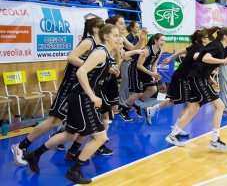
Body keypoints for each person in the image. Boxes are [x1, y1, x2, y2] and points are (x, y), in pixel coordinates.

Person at [23, 24, 120, 185]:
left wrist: (110, 71)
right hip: (82, 97)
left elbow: (95, 72)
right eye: (116, 35)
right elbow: (81, 72)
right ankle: (74, 171)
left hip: (82, 98)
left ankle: (35, 154)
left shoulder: (107, 54)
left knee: (70, 135)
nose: (118, 38)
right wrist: (92, 96)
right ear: (107, 36)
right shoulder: (100, 52)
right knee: (100, 137)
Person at [11, 17, 104, 166]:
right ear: (95, 29)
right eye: (103, 25)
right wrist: (89, 65)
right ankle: (21, 146)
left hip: (80, 89)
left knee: (71, 128)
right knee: (53, 120)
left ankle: (62, 144)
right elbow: (71, 57)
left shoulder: (99, 46)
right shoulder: (89, 41)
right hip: (70, 85)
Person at [166, 27, 227, 152]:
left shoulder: (217, 46)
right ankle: (215, 141)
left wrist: (210, 77)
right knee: (220, 106)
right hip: (198, 79)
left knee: (194, 108)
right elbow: (205, 58)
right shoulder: (217, 46)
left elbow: (203, 64)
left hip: (196, 78)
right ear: (225, 36)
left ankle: (172, 135)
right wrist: (223, 61)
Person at [145, 28, 217, 129]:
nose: (210, 41)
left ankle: (177, 126)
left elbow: (182, 51)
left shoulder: (196, 46)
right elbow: (197, 59)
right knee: (178, 101)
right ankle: (156, 112)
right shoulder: (199, 49)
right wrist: (217, 61)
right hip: (181, 78)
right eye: (208, 39)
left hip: (184, 78)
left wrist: (170, 58)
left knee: (186, 102)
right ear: (203, 39)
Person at [119, 33, 165, 121]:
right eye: (162, 40)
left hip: (144, 69)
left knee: (153, 89)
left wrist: (155, 75)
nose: (164, 42)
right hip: (135, 69)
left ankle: (137, 105)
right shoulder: (147, 50)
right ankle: (123, 109)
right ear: (155, 41)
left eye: (164, 40)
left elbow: (154, 65)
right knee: (138, 93)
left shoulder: (159, 50)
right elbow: (139, 65)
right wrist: (151, 74)